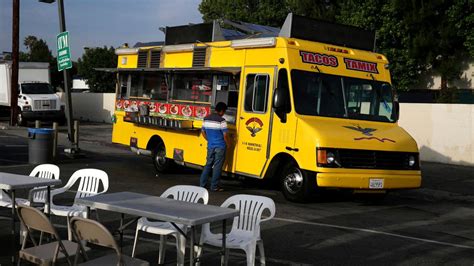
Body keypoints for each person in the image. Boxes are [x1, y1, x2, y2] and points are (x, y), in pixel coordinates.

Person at [200, 102, 229, 192]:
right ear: (221, 111)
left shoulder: (206, 119)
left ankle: (202, 185)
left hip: (210, 146)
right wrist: (228, 144)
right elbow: (225, 135)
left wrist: (209, 140)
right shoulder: (222, 120)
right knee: (217, 166)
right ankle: (214, 186)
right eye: (224, 111)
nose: (223, 113)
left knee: (208, 164)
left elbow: (203, 132)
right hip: (220, 146)